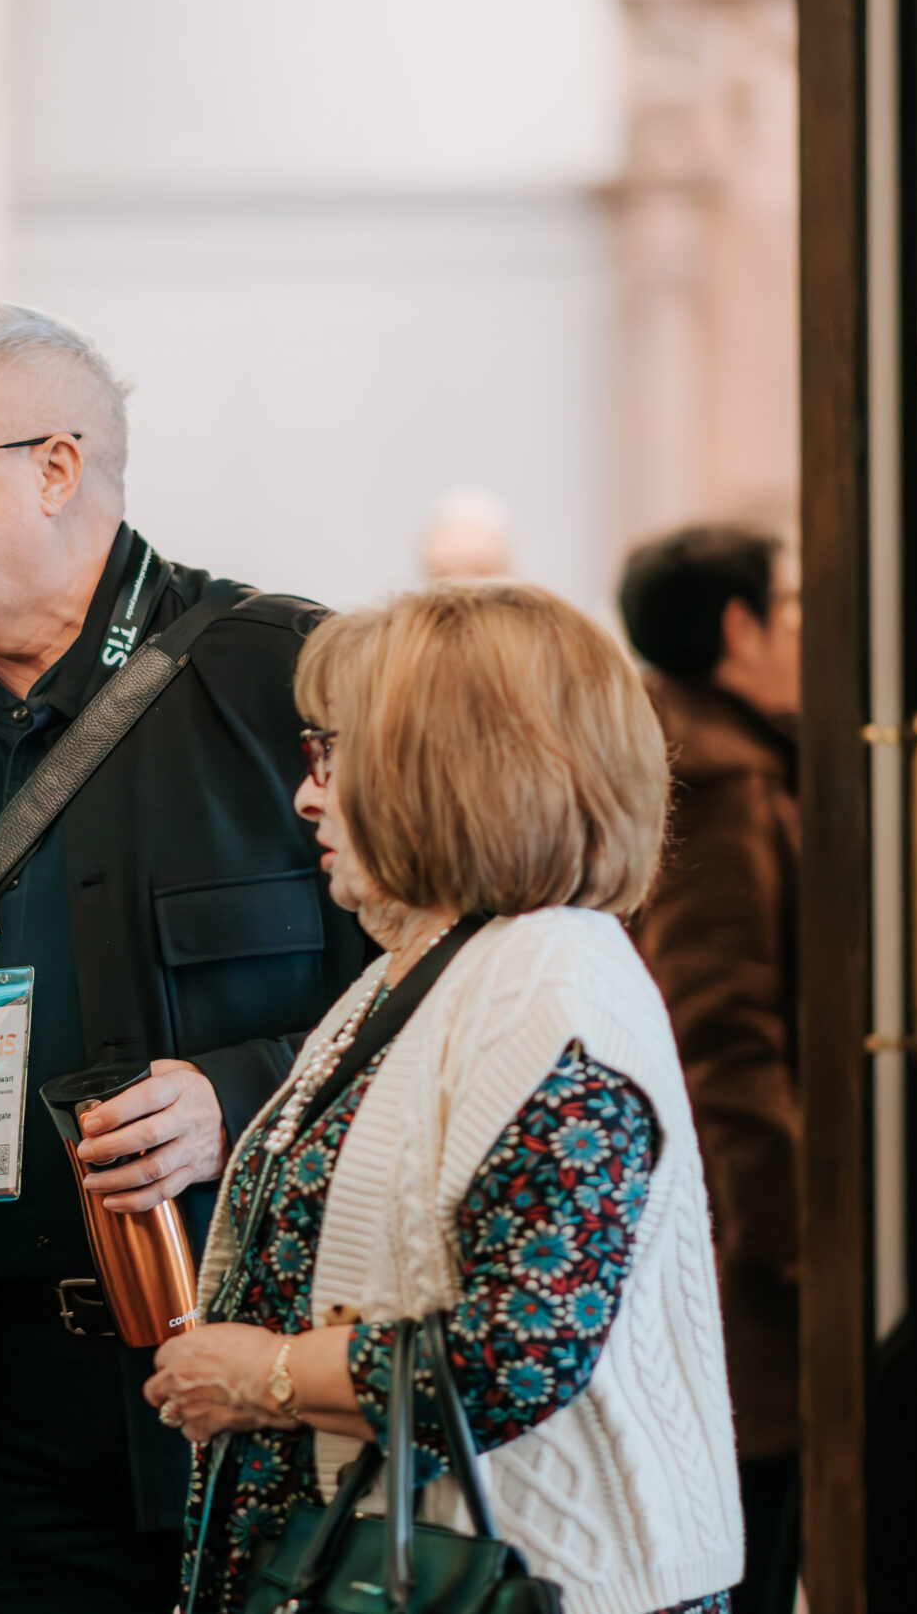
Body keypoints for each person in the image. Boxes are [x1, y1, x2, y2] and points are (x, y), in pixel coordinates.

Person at [0, 298, 365, 1612]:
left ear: (54, 466)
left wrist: (239, 1093)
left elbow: (424, 1006)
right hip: (0, 1401)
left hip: (259, 1379)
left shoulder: (293, 676)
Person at [147, 580, 744, 1613]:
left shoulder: (553, 983)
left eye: (332, 756)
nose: (305, 796)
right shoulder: (423, 962)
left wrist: (268, 1374)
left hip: (532, 1576)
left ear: (445, 773)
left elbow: (520, 1346)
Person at [618, 525, 803, 1614]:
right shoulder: (722, 780)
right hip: (745, 1247)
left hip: (730, 1230)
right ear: (738, 625)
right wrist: (796, 1242)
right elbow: (722, 1030)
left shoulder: (705, 751)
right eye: (790, 608)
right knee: (752, 1540)